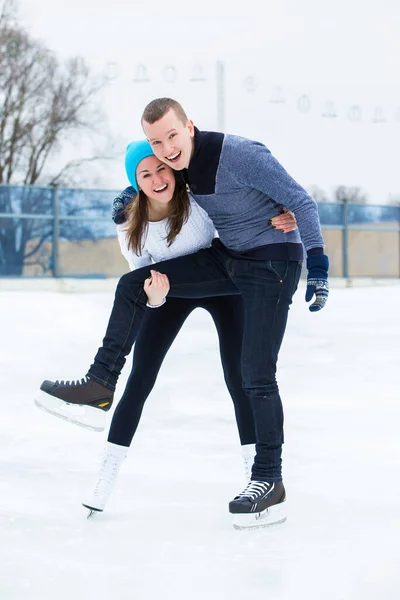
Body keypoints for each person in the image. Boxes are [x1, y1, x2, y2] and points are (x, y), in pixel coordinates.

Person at [37, 98, 329, 529]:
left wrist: (313, 261)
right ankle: (100, 384)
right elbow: (148, 225)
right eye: (157, 146)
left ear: (188, 128)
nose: (166, 155)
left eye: (171, 138)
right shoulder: (153, 195)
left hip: (258, 265)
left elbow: (294, 201)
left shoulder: (218, 166)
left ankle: (267, 479)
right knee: (132, 298)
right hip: (207, 268)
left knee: (252, 374)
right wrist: (129, 197)